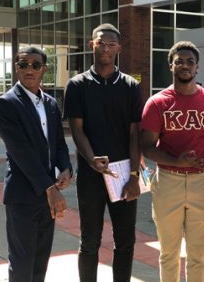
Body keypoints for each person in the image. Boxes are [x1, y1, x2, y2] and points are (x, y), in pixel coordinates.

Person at [140, 40, 204, 282]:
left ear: (197, 67)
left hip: (202, 182)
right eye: (179, 61)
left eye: (190, 61)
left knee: (198, 255)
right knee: (168, 254)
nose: (185, 65)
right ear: (171, 65)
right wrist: (177, 161)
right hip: (168, 181)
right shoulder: (157, 102)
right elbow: (146, 147)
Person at [63, 23, 143, 282]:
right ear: (92, 45)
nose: (106, 48)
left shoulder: (130, 86)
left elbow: (135, 134)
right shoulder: (77, 85)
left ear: (119, 48)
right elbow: (77, 130)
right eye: (101, 43)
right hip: (91, 176)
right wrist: (92, 160)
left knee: (125, 242)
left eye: (111, 44)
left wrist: (133, 176)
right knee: (89, 241)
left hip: (122, 176)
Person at [0, 46, 72, 282]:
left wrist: (66, 168)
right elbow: (21, 152)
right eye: (23, 64)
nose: (29, 69)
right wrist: (50, 189)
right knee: (22, 263)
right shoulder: (6, 103)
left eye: (35, 65)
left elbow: (59, 142)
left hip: (47, 196)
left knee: (40, 261)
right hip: (23, 196)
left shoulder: (50, 103)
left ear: (44, 70)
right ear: (16, 68)